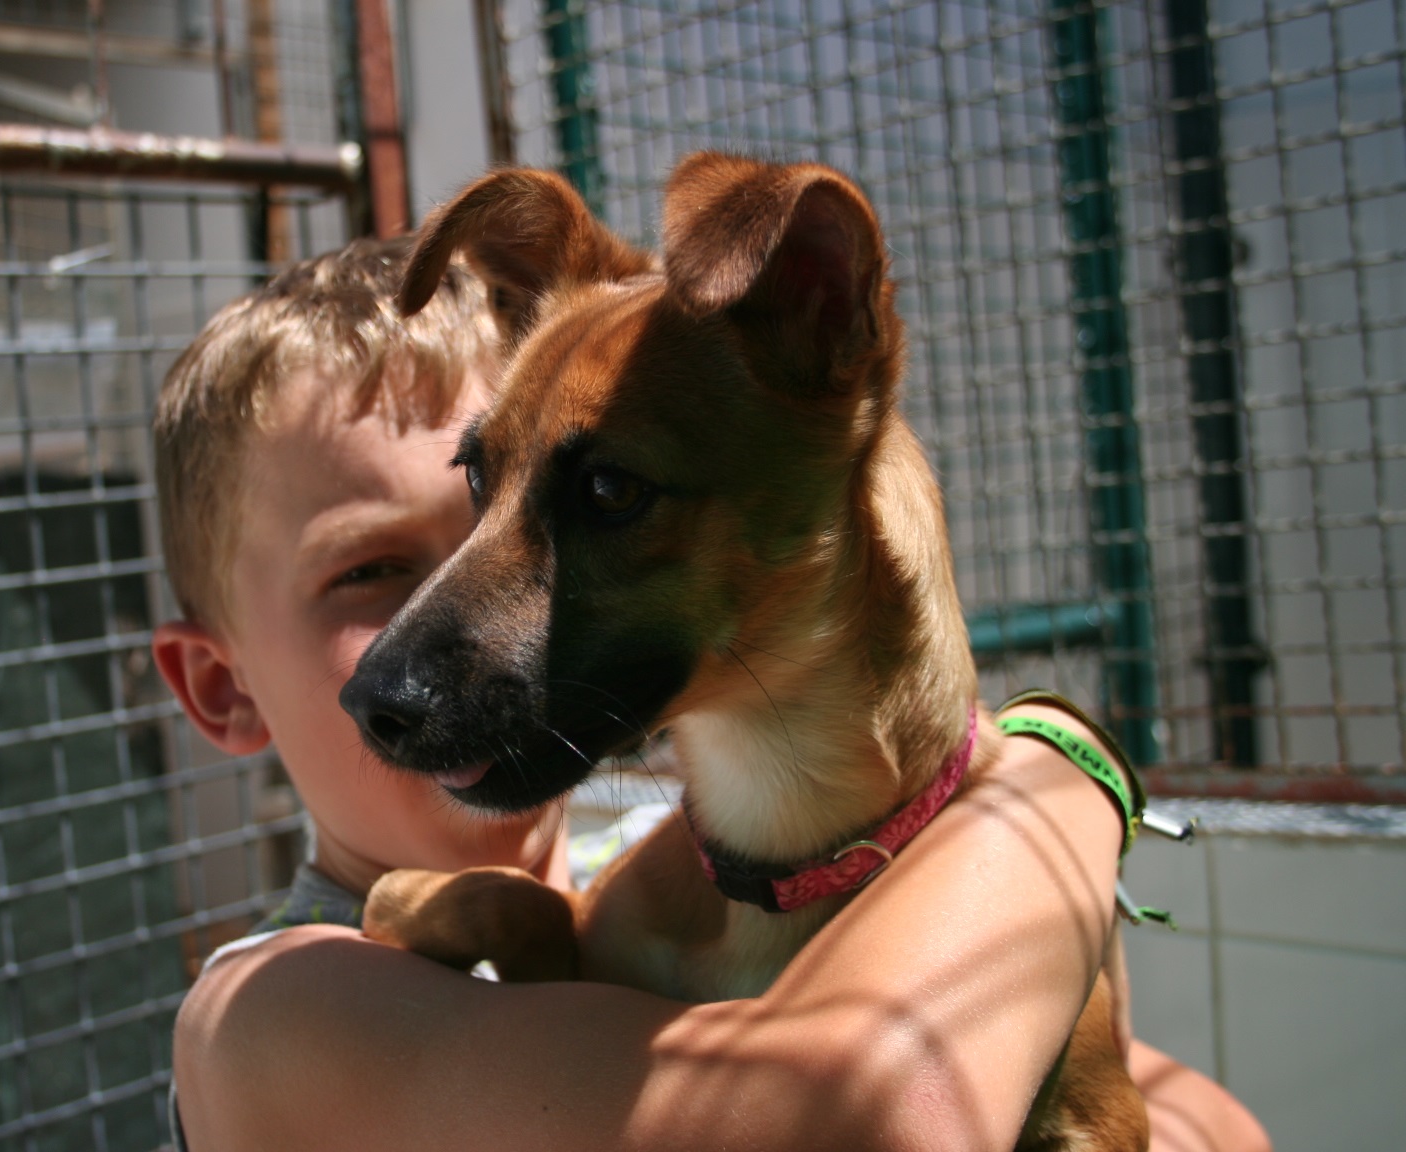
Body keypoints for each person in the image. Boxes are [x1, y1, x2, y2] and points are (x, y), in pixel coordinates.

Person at [151, 236, 1270, 1152]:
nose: (442, 610)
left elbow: (1218, 1127)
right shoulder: (264, 1013)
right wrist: (1065, 776)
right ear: (219, 688)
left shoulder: (680, 875)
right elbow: (868, 1125)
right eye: (370, 571)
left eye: (596, 498)